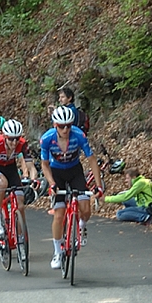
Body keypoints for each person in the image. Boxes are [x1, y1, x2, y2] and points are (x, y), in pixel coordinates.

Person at [39, 106, 103, 269]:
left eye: (68, 125)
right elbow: (44, 165)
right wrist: (52, 184)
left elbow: (92, 159)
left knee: (85, 208)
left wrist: (98, 185)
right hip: (57, 172)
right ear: (55, 125)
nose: (66, 129)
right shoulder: (47, 139)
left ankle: (81, 225)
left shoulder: (79, 135)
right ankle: (57, 253)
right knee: (59, 215)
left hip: (75, 171)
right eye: (61, 126)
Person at [0, 119, 38, 238]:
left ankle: (20, 236)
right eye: (11, 139)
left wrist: (33, 180)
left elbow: (31, 167)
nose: (14, 142)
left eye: (17, 138)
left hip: (11, 168)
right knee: (2, 184)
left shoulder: (22, 144)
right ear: (4, 136)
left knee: (20, 204)